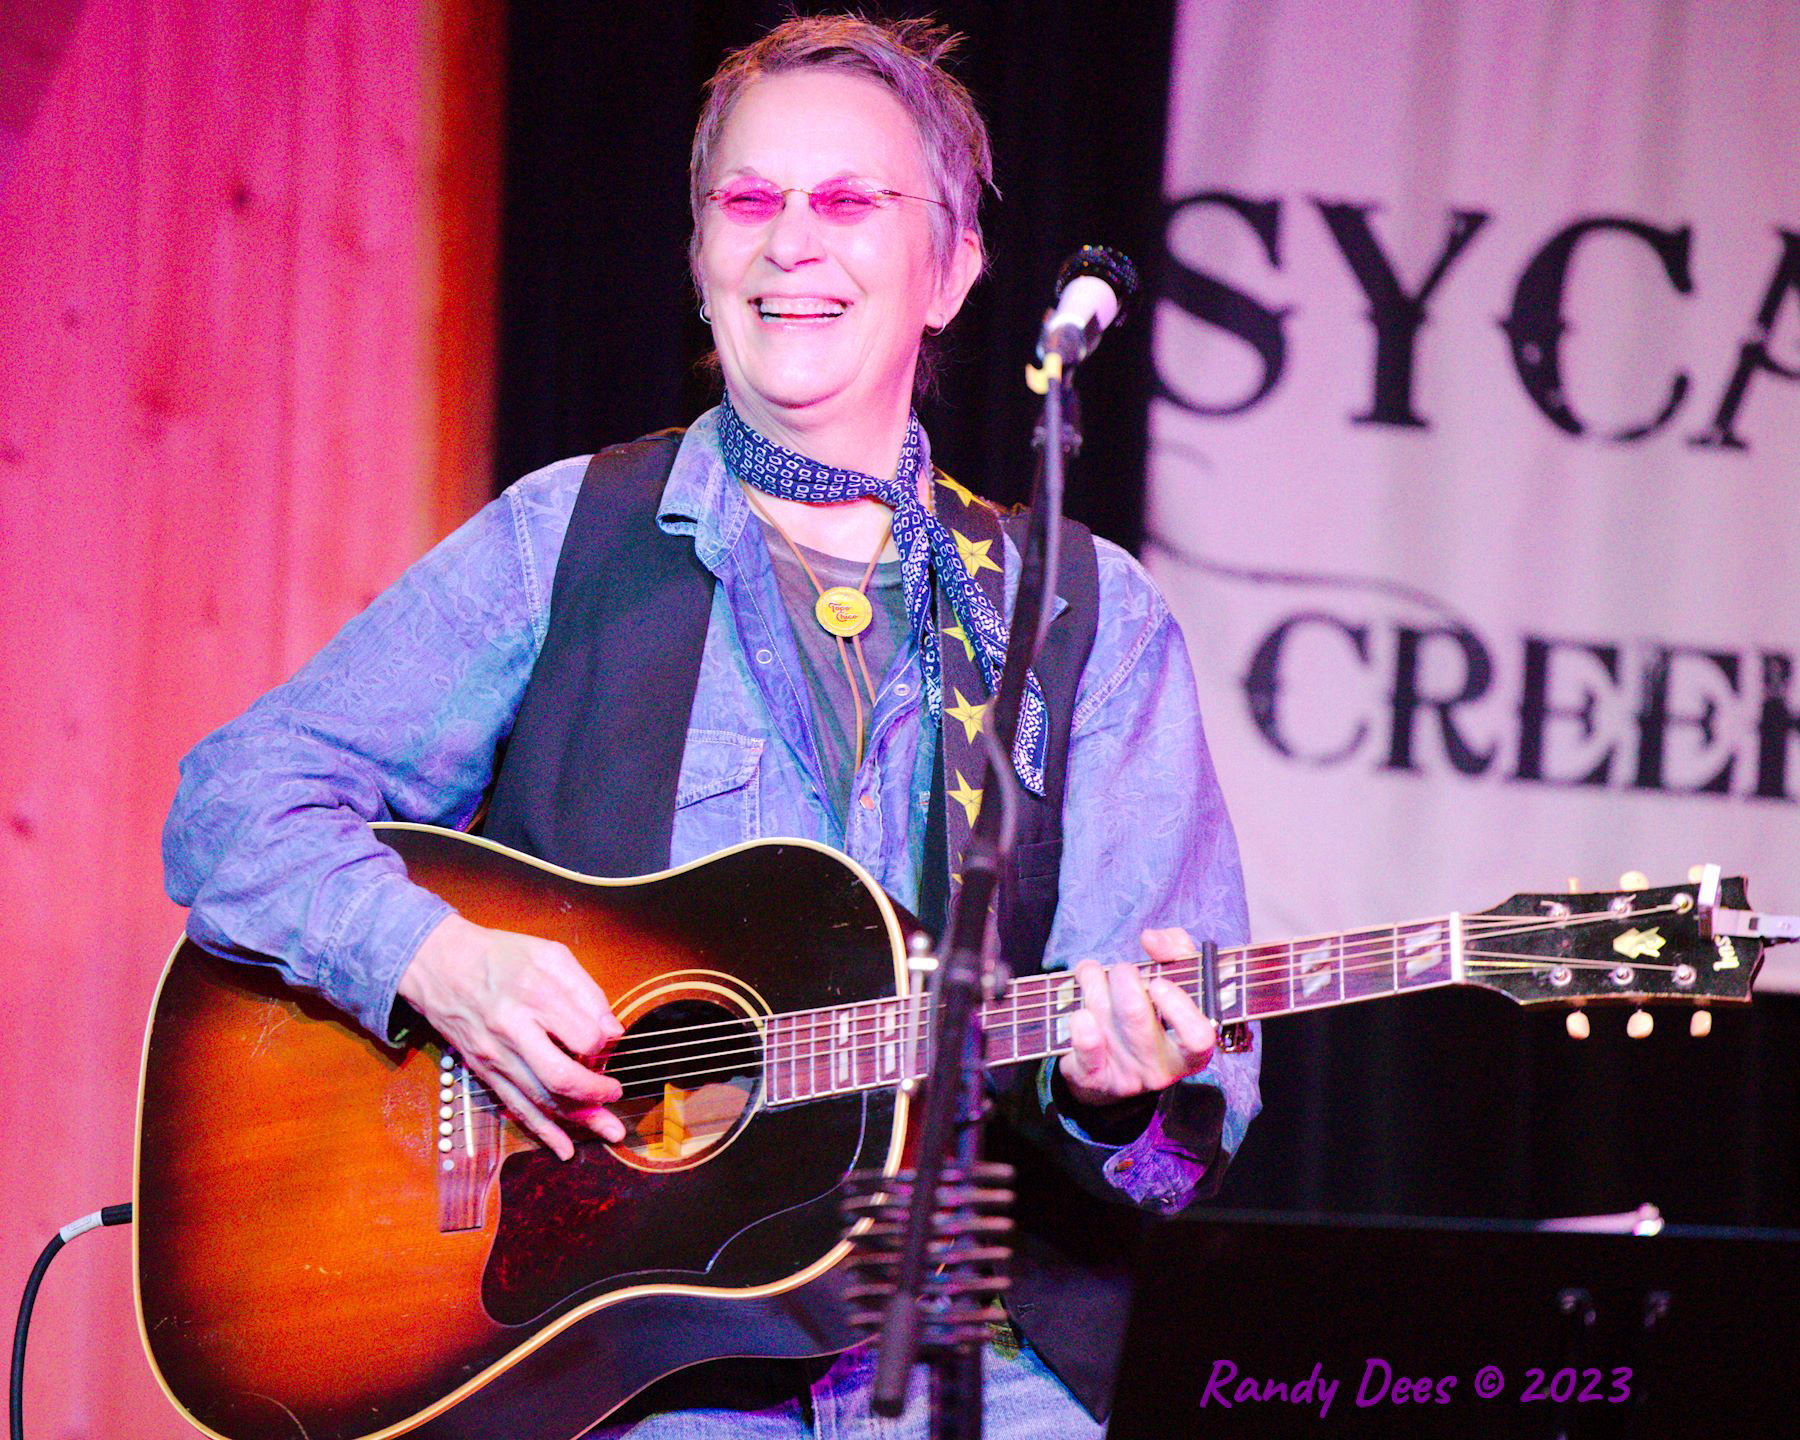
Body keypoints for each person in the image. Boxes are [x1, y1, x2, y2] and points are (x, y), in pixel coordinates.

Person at [163, 15, 1259, 1438]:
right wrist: (438, 958)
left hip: (974, 1351)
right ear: (700, 260)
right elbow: (233, 800)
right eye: (750, 200)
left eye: (853, 202)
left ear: (954, 271)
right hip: (626, 1359)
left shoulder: (1087, 617)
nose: (791, 242)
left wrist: (1121, 1095)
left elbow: (1186, 1142)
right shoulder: (568, 538)